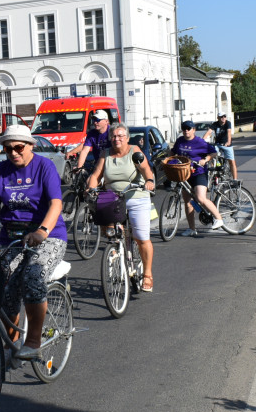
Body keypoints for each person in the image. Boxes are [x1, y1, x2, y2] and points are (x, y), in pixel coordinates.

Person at [0, 124, 66, 360]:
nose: (14, 152)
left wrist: (42, 231)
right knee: (1, 280)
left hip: (48, 236)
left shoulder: (44, 166)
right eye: (8, 149)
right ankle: (11, 342)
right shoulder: (0, 172)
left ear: (30, 146)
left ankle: (34, 340)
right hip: (13, 238)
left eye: (19, 147)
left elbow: (56, 204)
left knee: (32, 277)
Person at [86, 123, 156, 291]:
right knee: (109, 230)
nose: (116, 139)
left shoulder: (135, 152)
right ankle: (115, 250)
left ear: (127, 138)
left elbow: (147, 170)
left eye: (120, 136)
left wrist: (149, 181)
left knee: (140, 236)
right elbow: (96, 175)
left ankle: (147, 274)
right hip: (113, 198)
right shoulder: (105, 154)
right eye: (114, 136)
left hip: (136, 195)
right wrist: (91, 188)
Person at [172, 121, 224, 237]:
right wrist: (164, 158)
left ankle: (218, 218)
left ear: (193, 130)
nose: (186, 131)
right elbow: (173, 152)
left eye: (188, 128)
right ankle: (192, 229)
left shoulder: (200, 142)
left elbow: (214, 153)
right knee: (187, 202)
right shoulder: (180, 141)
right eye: (184, 128)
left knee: (200, 198)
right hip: (185, 174)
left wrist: (205, 159)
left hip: (199, 173)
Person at [203, 113, 237, 179]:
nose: (223, 118)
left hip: (227, 145)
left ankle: (235, 179)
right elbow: (208, 132)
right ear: (218, 118)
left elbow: (229, 132)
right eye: (221, 117)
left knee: (232, 161)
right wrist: (202, 141)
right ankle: (214, 170)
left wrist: (228, 142)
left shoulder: (228, 123)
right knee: (211, 155)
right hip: (218, 144)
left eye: (224, 116)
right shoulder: (215, 124)